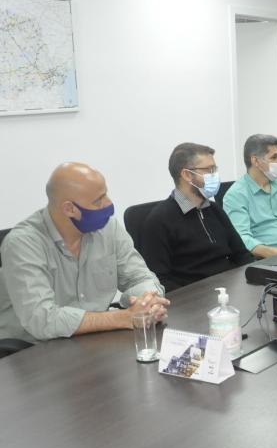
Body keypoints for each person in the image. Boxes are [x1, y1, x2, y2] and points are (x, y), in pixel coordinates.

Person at [0, 163, 168, 343]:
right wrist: (124, 317)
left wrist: (147, 302)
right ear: (69, 209)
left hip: (95, 338)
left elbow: (140, 277)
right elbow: (42, 320)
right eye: (99, 200)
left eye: (106, 194)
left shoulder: (108, 228)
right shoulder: (23, 243)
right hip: (32, 350)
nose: (109, 204)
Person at [140, 143, 254, 292]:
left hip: (229, 289)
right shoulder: (159, 220)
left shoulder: (214, 210)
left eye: (215, 169)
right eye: (210, 170)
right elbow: (161, 280)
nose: (215, 175)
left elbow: (242, 255)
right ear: (187, 175)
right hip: (192, 300)